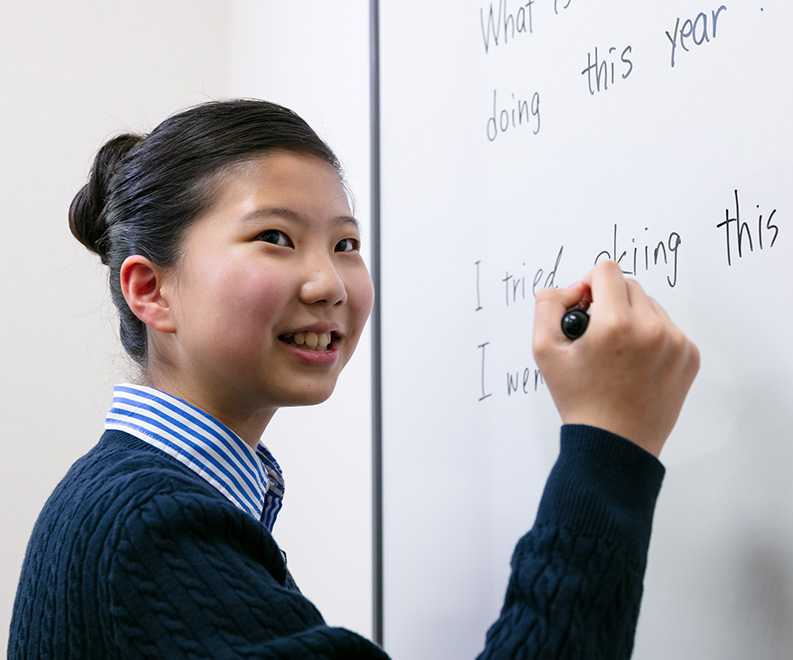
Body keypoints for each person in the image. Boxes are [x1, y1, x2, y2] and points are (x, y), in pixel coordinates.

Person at [7, 99, 699, 659]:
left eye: (346, 244)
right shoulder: (152, 530)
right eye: (275, 237)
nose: (330, 282)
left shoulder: (137, 499)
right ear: (151, 290)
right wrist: (610, 446)